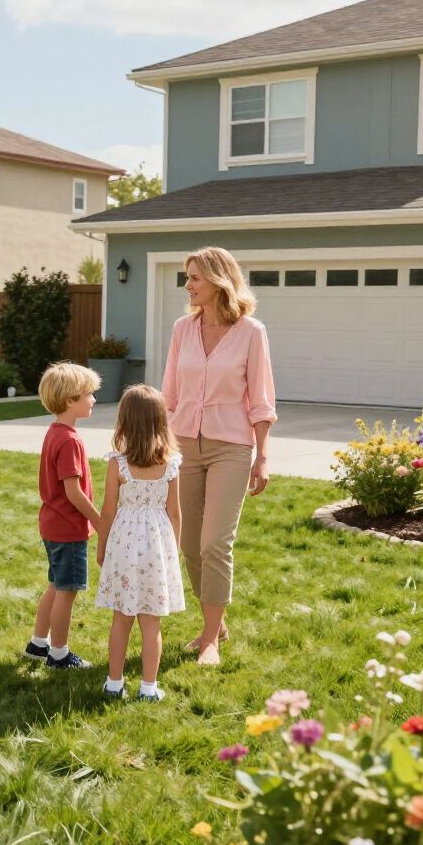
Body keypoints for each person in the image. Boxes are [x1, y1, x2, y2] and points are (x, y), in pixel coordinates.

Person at [162, 246, 276, 667]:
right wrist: (157, 443)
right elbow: (169, 393)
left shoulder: (251, 332)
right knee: (189, 545)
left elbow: (261, 399)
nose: (187, 285)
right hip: (184, 443)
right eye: (186, 277)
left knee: (215, 542)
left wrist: (262, 456)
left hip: (232, 445)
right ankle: (217, 621)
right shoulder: (182, 328)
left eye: (194, 278)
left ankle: (210, 636)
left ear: (218, 281)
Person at [94, 385, 184, 702]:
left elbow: (107, 510)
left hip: (123, 545)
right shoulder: (171, 464)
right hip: (157, 547)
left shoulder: (117, 463)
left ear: (125, 422)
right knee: (151, 621)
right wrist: (174, 552)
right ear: (161, 421)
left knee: (121, 618)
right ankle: (148, 687)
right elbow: (174, 514)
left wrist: (101, 546)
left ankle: (114, 683)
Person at [24, 361, 102, 670]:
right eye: (88, 395)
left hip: (52, 524)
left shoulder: (56, 432)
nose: (93, 400)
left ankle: (38, 643)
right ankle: (59, 654)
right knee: (66, 591)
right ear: (70, 400)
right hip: (68, 528)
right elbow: (73, 492)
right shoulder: (69, 440)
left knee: (55, 585)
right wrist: (99, 519)